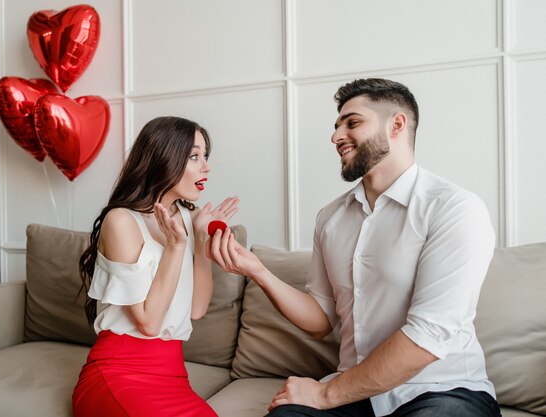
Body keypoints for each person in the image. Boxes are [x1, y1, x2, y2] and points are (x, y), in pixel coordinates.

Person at [207, 78, 501, 417]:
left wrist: (326, 394)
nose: (335, 136)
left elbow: (429, 336)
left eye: (353, 122)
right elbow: (321, 320)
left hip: (441, 390)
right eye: (336, 126)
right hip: (355, 394)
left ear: (397, 125)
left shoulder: (454, 208)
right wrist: (256, 271)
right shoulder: (330, 219)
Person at [72, 116, 239, 417]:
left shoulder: (188, 218)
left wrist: (199, 242)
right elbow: (148, 323)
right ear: (165, 158)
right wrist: (176, 247)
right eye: (195, 156)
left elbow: (197, 309)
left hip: (173, 376)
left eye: (205, 156)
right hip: (119, 373)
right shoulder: (121, 221)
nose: (206, 166)